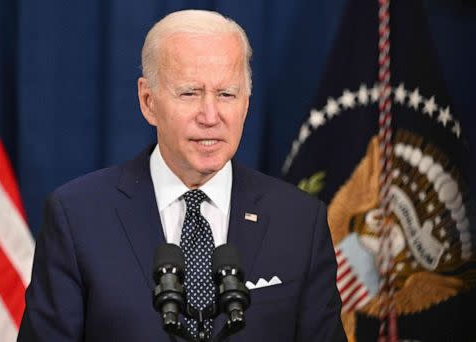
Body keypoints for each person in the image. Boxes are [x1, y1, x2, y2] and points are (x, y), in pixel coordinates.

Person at [18, 9, 345, 341]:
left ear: (246, 103)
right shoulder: (77, 217)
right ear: (148, 101)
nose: (210, 115)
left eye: (226, 94)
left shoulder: (300, 222)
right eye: (190, 93)